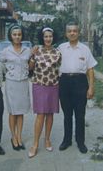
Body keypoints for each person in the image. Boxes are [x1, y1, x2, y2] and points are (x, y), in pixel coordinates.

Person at [58, 22, 97, 154]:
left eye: (75, 31)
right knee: (67, 114)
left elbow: (90, 69)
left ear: (78, 33)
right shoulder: (61, 48)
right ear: (66, 33)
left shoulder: (85, 49)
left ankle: (80, 142)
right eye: (70, 31)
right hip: (64, 82)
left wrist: (91, 87)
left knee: (80, 115)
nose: (72, 33)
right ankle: (67, 140)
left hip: (80, 82)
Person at [28, 27, 61, 158]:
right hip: (39, 85)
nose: (48, 39)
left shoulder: (58, 52)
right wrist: (32, 55)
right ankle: (35, 144)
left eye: (50, 36)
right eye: (46, 36)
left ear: (53, 38)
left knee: (50, 114)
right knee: (40, 115)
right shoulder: (37, 50)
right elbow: (30, 68)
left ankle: (47, 139)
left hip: (53, 86)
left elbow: (60, 69)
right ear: (42, 37)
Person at [0, 24, 31, 151]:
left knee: (21, 111)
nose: (17, 37)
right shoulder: (6, 51)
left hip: (23, 82)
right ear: (11, 36)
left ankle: (19, 136)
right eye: (15, 34)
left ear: (22, 35)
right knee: (13, 111)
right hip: (11, 83)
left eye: (19, 34)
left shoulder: (27, 50)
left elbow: (31, 65)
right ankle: (13, 137)